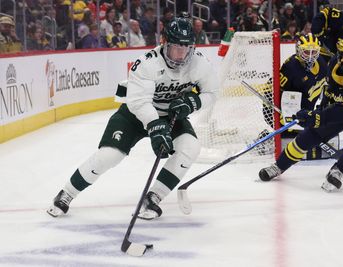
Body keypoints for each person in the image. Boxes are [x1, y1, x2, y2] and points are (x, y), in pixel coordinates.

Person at [47, 17, 218, 219]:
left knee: (190, 147)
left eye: (186, 48)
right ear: (165, 43)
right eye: (176, 48)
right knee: (109, 156)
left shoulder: (199, 63)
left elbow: (212, 93)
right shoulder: (147, 64)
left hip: (171, 116)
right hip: (135, 115)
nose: (181, 54)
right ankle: (67, 192)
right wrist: (155, 127)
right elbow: (139, 103)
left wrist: (193, 103)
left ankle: (153, 197)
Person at [258, 33, 343, 192]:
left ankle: (339, 170)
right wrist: (319, 113)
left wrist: (318, 117)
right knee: (313, 133)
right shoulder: (333, 64)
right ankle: (279, 166)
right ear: (340, 54)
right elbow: (331, 93)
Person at [259, 33, 330, 160]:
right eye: (306, 52)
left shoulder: (322, 64)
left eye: (314, 52)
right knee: (294, 134)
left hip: (304, 112)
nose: (310, 57)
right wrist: (284, 116)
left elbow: (324, 90)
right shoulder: (290, 68)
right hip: (278, 110)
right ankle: (268, 139)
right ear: (298, 51)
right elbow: (273, 93)